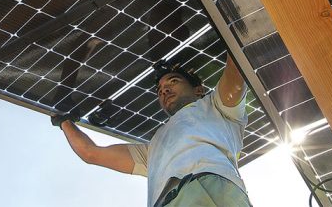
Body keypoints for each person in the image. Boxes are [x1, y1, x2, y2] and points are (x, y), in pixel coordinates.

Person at [51, 54, 252, 207]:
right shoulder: (153, 149)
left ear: (198, 90)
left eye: (173, 81)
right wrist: (64, 122)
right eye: (159, 89)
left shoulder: (217, 107)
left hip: (211, 186)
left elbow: (236, 68)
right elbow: (91, 153)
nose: (164, 90)